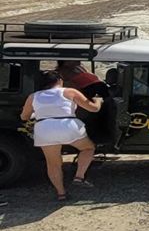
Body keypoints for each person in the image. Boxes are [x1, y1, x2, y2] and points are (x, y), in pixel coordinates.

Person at [20, 70, 102, 201]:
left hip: (45, 128)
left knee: (53, 164)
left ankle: (61, 193)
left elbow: (24, 116)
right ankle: (79, 177)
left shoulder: (33, 96)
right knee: (88, 148)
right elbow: (93, 108)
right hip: (68, 125)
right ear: (59, 80)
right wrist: (98, 100)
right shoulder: (70, 92)